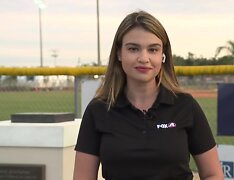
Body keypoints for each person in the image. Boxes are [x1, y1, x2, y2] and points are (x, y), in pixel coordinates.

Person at [73, 10, 224, 180]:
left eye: (153, 50)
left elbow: (213, 174)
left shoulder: (185, 106)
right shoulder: (98, 110)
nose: (144, 58)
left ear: (163, 55)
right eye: (133, 49)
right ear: (119, 53)